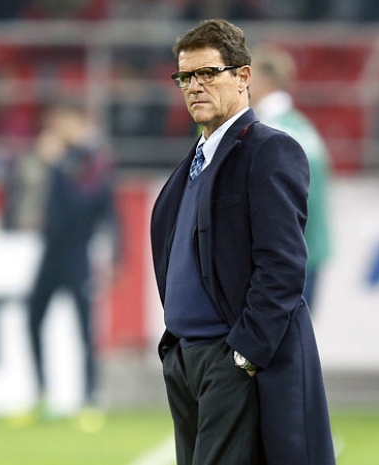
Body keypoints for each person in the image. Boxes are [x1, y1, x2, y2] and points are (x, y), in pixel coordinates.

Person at [150, 19, 334, 465]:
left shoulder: (270, 150)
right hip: (188, 361)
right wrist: (176, 352)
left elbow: (283, 266)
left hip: (228, 360)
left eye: (207, 73)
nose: (194, 86)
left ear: (243, 76)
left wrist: (244, 356)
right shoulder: (194, 161)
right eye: (185, 77)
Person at [10, 100, 120, 432]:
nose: (55, 130)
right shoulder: (66, 156)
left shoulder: (95, 158)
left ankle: (90, 399)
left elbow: (85, 204)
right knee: (33, 317)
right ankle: (42, 395)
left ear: (75, 121)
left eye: (59, 122)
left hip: (78, 252)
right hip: (52, 251)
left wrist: (118, 254)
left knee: (84, 328)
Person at [250, 44, 332, 311]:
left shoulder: (269, 132)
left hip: (283, 257)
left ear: (265, 81)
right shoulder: (302, 127)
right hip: (306, 252)